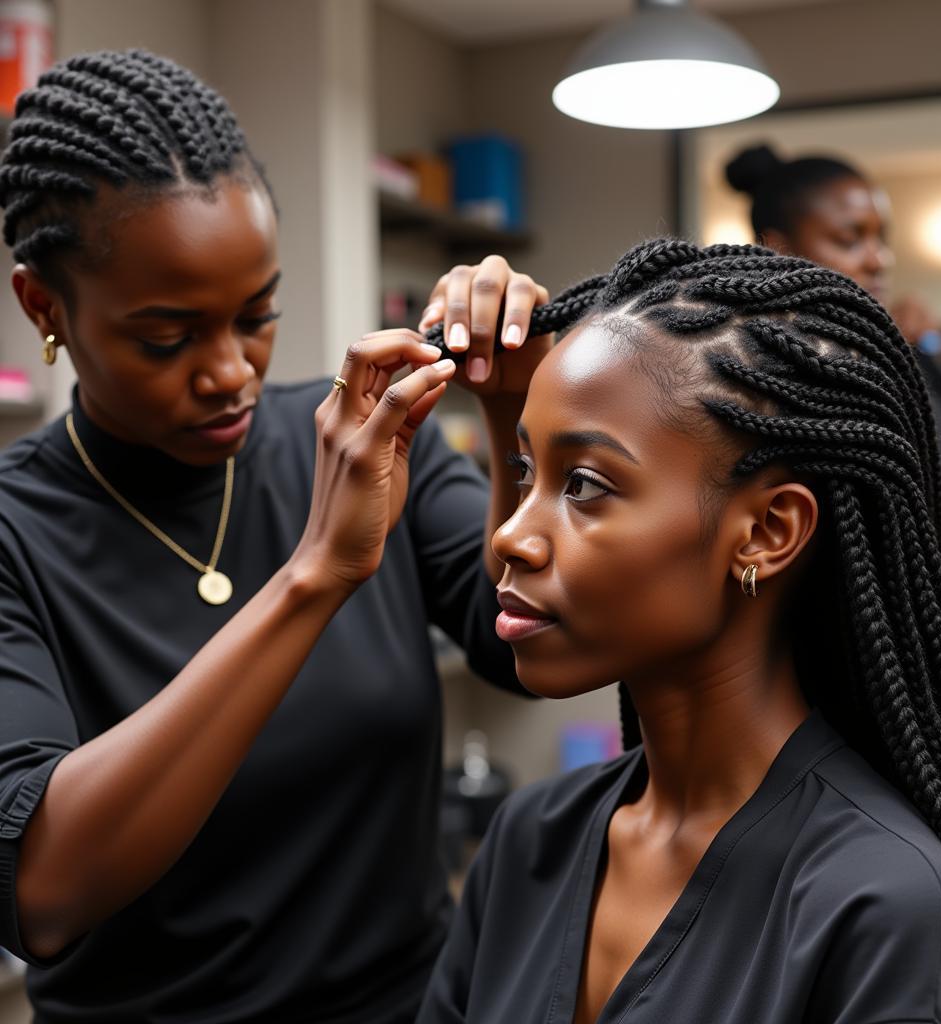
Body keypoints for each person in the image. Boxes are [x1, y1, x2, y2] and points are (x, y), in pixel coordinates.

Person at [0, 50, 550, 1023]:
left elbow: (533, 654)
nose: (229, 372)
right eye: (167, 337)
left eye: (257, 317)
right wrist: (314, 576)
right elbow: (42, 887)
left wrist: (514, 420)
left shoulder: (352, 442)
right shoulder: (17, 531)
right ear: (44, 306)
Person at [415, 239, 941, 1024]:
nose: (509, 538)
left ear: (769, 531)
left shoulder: (886, 907)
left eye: (587, 485)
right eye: (527, 472)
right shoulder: (530, 840)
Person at [725, 142, 941, 847]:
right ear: (779, 248)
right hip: (901, 740)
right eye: (849, 237)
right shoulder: (779, 393)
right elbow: (837, 598)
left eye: (882, 237)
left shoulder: (905, 367)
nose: (877, 257)